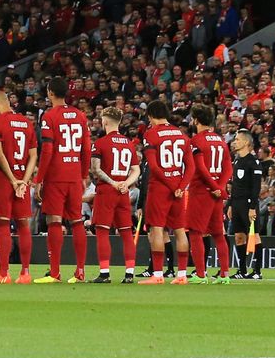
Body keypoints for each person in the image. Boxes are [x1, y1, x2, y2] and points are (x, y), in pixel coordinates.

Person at [34, 77, 91, 284]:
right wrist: (84, 174)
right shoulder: (80, 115)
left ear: (50, 92)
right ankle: (80, 271)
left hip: (56, 176)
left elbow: (48, 150)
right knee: (76, 221)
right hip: (75, 175)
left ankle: (55, 272)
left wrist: (39, 179)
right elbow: (86, 148)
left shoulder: (49, 116)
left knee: (54, 221)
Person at [0, 90, 38, 284]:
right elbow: (33, 156)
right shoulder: (26, 123)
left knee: (3, 224)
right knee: (23, 224)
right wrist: (24, 180)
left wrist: (13, 180)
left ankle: (3, 273)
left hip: (3, 179)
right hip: (22, 178)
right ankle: (25, 273)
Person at [139, 100, 191, 285]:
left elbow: (153, 166)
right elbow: (190, 167)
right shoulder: (181, 135)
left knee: (157, 230)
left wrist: (170, 186)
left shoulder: (151, 134)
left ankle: (158, 274)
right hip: (178, 187)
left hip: (160, 188)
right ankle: (182, 275)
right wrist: (181, 187)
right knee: (179, 230)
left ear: (151, 116)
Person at [89, 109, 139, 284]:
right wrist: (126, 183)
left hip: (107, 191)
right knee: (126, 232)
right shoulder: (128, 143)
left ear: (105, 122)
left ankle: (104, 273)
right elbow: (136, 170)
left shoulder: (101, 143)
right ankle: (129, 273)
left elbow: (96, 169)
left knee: (102, 231)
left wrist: (113, 183)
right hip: (123, 192)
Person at [185, 105, 233, 283]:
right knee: (218, 234)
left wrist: (213, 186)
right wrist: (220, 188)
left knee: (195, 233)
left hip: (201, 192)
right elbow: (228, 166)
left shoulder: (196, 140)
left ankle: (200, 274)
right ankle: (225, 275)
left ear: (196, 120)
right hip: (216, 194)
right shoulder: (220, 140)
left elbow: (201, 167)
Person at [229, 130, 262, 279]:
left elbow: (256, 188)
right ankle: (242, 270)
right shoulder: (236, 160)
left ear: (246, 143)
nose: (234, 142)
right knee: (239, 237)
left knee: (254, 236)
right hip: (236, 203)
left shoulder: (253, 162)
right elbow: (235, 185)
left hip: (248, 204)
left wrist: (252, 208)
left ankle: (257, 271)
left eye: (237, 139)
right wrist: (230, 204)